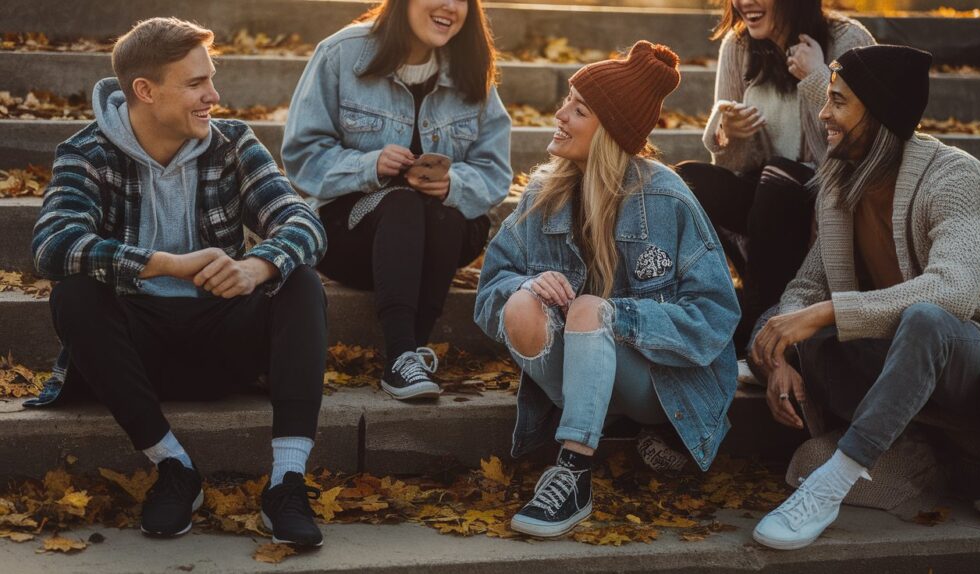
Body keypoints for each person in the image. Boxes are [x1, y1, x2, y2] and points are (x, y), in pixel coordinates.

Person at [30, 18, 329, 546]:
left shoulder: (233, 142)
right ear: (144, 91)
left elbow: (302, 222)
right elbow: (53, 245)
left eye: (210, 79)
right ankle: (172, 466)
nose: (213, 95)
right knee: (74, 292)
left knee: (299, 279)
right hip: (136, 352)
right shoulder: (86, 152)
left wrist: (254, 267)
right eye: (195, 83)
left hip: (222, 339)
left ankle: (286, 481)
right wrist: (165, 264)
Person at [749, 44, 980, 550]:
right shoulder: (841, 185)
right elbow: (804, 289)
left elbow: (952, 291)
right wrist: (780, 356)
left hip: (975, 365)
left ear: (879, 114)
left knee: (925, 319)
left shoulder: (955, 177)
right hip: (897, 369)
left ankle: (833, 485)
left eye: (838, 102)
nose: (822, 114)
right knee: (780, 325)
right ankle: (920, 453)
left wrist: (829, 311)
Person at [475, 42, 741, 538]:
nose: (559, 115)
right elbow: (491, 285)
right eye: (566, 103)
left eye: (578, 110)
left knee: (590, 311)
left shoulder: (665, 197)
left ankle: (573, 471)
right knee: (520, 304)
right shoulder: (542, 194)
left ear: (611, 131)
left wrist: (620, 317)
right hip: (576, 366)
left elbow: (715, 313)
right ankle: (588, 421)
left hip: (660, 382)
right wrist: (529, 285)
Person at [283, 0, 512, 400]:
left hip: (443, 237)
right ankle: (403, 352)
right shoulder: (341, 53)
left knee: (441, 211)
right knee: (403, 202)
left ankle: (409, 353)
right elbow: (302, 157)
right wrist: (370, 165)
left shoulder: (472, 64)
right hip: (351, 236)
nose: (450, 7)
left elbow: (495, 171)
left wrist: (452, 184)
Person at [675, 0, 874, 348]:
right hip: (765, 207)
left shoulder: (846, 40)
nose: (745, 3)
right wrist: (730, 131)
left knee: (779, 178)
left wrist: (817, 79)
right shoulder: (737, 47)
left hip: (828, 201)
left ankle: (752, 327)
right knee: (687, 179)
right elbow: (733, 166)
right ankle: (709, 302)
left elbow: (863, 150)